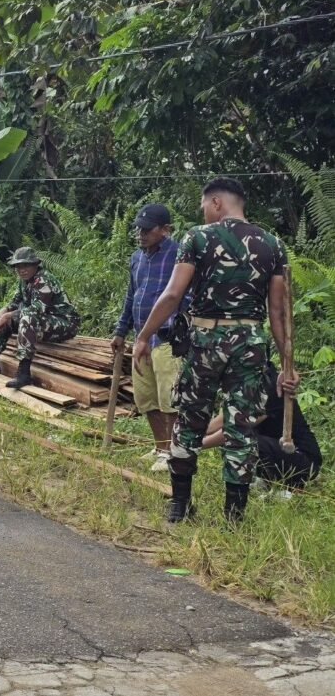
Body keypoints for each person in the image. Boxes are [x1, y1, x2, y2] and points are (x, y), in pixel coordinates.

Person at [133, 177, 297, 524]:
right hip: (250, 345)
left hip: (206, 341)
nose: (203, 211)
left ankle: (180, 507)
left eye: (204, 205)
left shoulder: (197, 238)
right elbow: (278, 313)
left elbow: (173, 295)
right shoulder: (273, 245)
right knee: (242, 428)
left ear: (217, 203)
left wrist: (144, 335)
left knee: (190, 421)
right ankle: (233, 518)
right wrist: (287, 364)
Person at [112, 204, 186, 472]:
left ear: (165, 230)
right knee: (146, 398)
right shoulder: (137, 258)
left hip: (167, 339)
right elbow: (132, 296)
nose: (140, 234)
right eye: (138, 229)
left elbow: (186, 295)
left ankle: (174, 452)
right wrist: (121, 331)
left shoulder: (179, 255)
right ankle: (160, 447)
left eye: (147, 230)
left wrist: (182, 325)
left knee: (169, 398)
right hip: (141, 337)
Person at [0, 247, 81, 389]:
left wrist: (10, 315)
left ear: (35, 265)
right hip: (43, 321)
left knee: (26, 318)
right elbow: (15, 302)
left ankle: (24, 373)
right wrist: (4, 311)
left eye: (26, 265)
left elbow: (38, 309)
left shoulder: (44, 280)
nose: (22, 270)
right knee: (4, 316)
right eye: (18, 266)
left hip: (65, 323)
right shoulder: (24, 281)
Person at [204, 362, 321, 490]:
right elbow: (226, 417)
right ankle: (267, 481)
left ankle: (290, 483)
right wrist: (195, 432)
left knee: (240, 441)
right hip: (278, 449)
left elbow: (236, 428)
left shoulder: (270, 386)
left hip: (304, 460)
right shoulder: (245, 384)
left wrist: (193, 444)